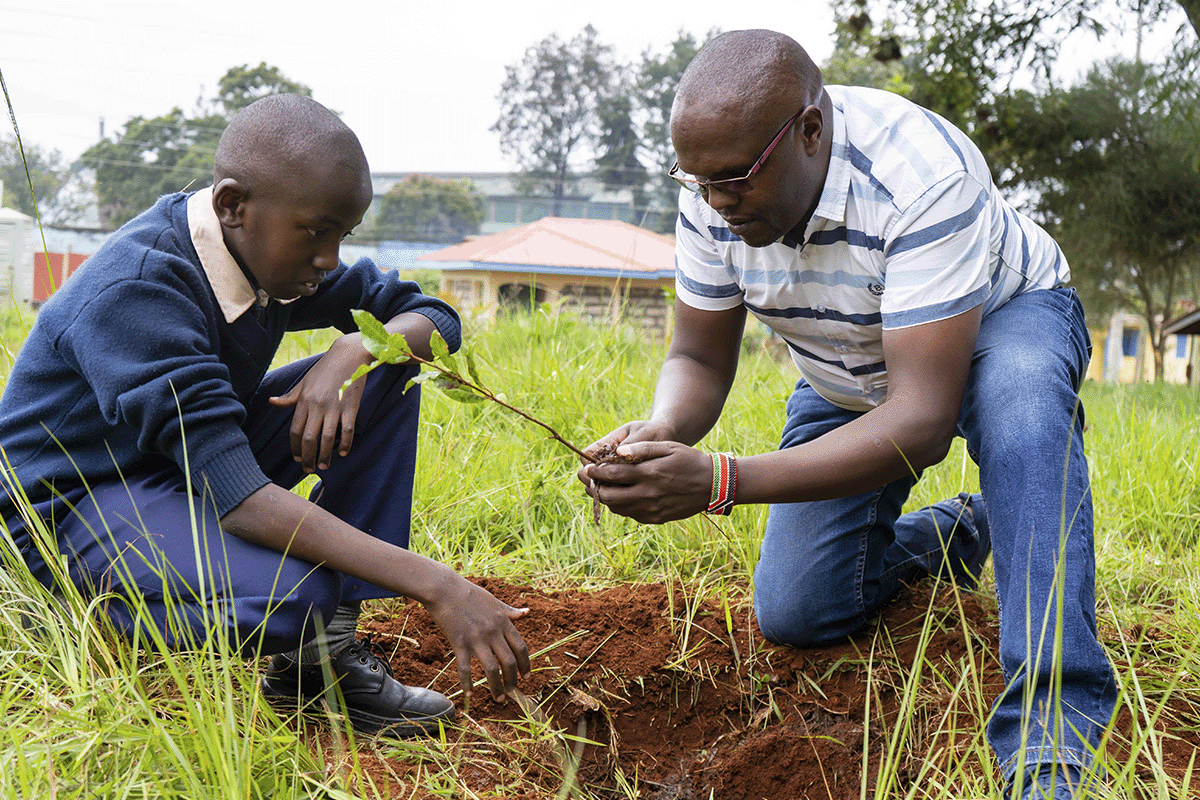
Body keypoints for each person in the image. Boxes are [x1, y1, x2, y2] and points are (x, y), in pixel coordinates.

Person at [580, 30, 1116, 800]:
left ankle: (1051, 748)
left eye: (734, 179)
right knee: (799, 607)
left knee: (1022, 412)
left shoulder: (921, 176)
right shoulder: (711, 192)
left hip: (1001, 325)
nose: (717, 201)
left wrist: (724, 480)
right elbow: (697, 361)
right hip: (848, 367)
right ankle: (966, 528)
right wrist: (662, 429)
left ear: (810, 128)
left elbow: (921, 419)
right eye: (698, 182)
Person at [0, 94, 530, 736]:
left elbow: (433, 318)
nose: (330, 258)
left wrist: (355, 347)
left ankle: (323, 662)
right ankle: (62, 613)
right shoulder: (141, 289)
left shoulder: (267, 257)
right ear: (232, 206)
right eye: (315, 231)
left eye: (342, 235)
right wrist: (441, 585)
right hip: (70, 503)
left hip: (174, 464)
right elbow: (241, 498)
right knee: (293, 598)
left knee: (388, 371)